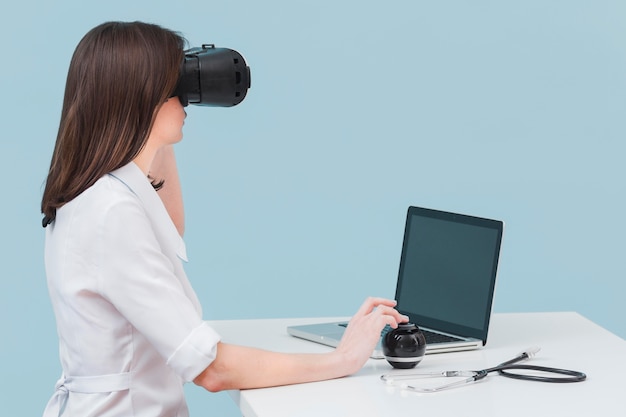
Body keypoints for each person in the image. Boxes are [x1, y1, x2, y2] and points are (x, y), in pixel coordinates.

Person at [40, 21, 408, 417]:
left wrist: (153, 128)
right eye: (176, 86)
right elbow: (212, 369)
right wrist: (344, 359)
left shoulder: (100, 193)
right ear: (143, 98)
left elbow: (169, 229)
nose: (186, 98)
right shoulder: (111, 213)